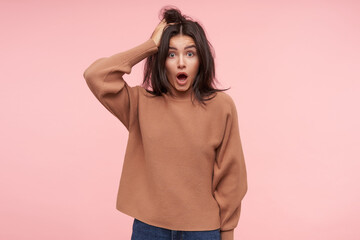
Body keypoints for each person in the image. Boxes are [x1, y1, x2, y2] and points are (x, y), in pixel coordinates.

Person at [83, 6, 247, 240]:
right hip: (149, 229)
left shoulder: (221, 106)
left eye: (190, 53)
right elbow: (96, 75)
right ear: (161, 60)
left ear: (201, 59)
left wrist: (227, 233)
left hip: (203, 231)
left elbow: (232, 177)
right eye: (171, 54)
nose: (181, 63)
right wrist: (150, 45)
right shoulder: (140, 103)